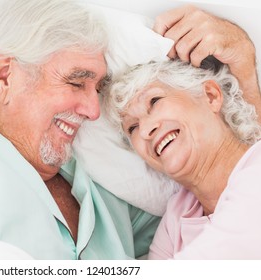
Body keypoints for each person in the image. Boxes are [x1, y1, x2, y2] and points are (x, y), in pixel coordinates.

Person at [0, 0, 256, 260]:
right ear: (4, 76)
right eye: (76, 82)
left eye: (97, 89)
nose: (92, 110)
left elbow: (229, 185)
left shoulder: (109, 199)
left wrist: (242, 66)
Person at [105, 58, 261, 259]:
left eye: (155, 101)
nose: (144, 130)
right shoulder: (177, 216)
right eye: (132, 128)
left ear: (211, 96)